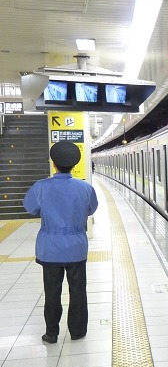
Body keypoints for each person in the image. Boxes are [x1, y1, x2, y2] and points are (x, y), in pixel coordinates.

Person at [23, 141, 99, 344]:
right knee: (78, 291)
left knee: (52, 292)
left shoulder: (41, 187)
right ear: (74, 164)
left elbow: (31, 208)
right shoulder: (85, 187)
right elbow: (91, 209)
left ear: (54, 163)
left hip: (50, 249)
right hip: (76, 247)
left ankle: (51, 333)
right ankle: (77, 331)